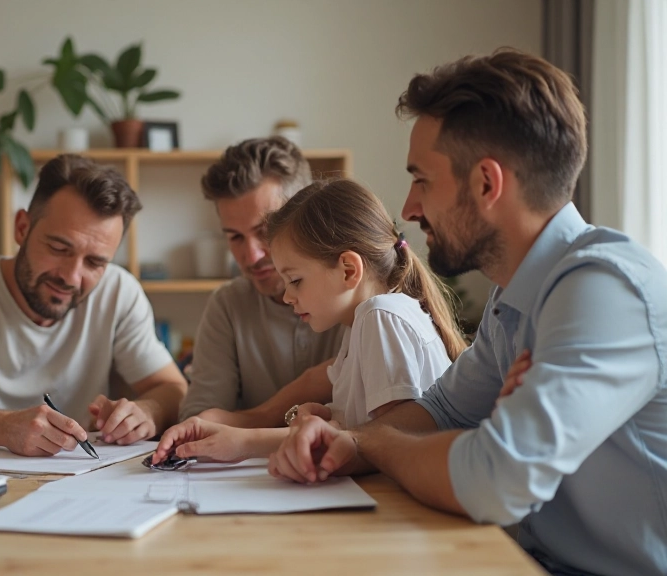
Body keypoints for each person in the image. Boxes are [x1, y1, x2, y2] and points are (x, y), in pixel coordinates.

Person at [270, 48, 667, 576]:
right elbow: (444, 413)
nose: (409, 209)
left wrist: (378, 441)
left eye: (422, 180)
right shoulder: (515, 295)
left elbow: (493, 480)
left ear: (486, 182)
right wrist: (352, 441)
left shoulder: (604, 290)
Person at [153, 178, 465, 464]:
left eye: (296, 280)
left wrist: (247, 440)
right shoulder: (361, 322)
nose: (288, 297)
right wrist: (330, 417)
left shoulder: (380, 317)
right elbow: (365, 432)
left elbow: (388, 443)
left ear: (348, 270)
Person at [0, 154, 187, 456]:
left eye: (95, 262)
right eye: (59, 248)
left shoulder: (118, 292)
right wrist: (0, 427)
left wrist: (148, 411)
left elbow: (175, 391)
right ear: (22, 228)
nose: (72, 277)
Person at [179, 137, 345, 428]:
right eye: (235, 237)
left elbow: (375, 425)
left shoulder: (357, 299)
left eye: (265, 230)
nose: (251, 255)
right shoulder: (227, 305)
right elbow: (197, 423)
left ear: (309, 214)